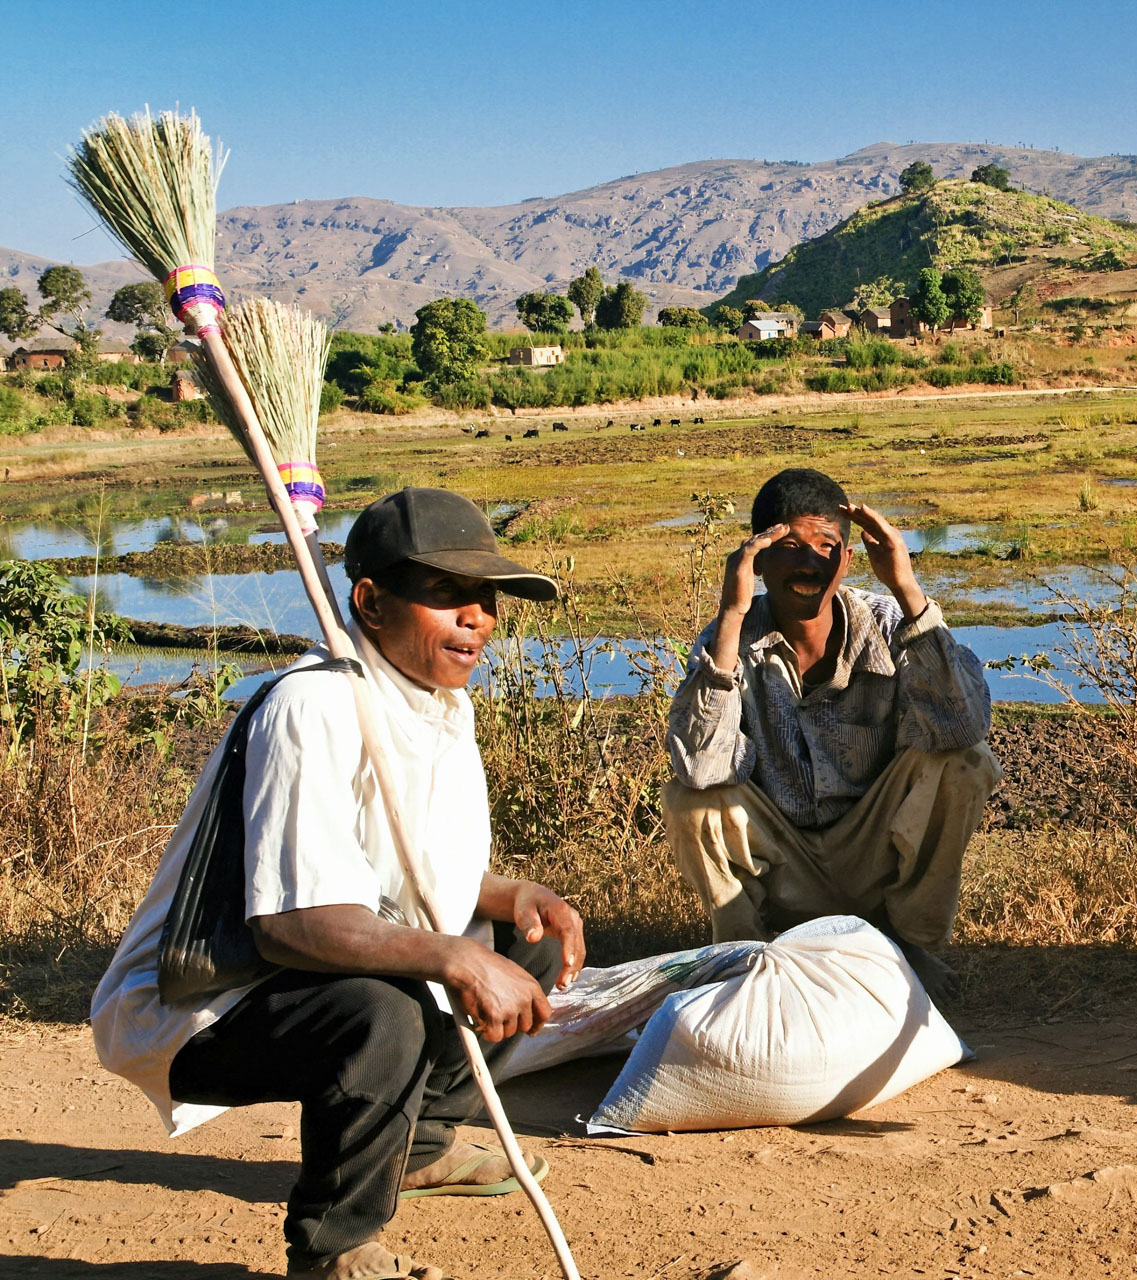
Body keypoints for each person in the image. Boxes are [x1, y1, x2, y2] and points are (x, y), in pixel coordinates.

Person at [93, 488, 585, 1280]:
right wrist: (456, 960)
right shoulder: (313, 705)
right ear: (370, 600)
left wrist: (518, 898)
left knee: (520, 952)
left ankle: (418, 1146)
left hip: (302, 969)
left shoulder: (438, 706)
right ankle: (334, 1248)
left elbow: (417, 877)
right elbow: (291, 925)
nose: (479, 619)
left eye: (486, 601)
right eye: (448, 595)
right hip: (202, 1003)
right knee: (382, 1013)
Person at [664, 468, 999, 991]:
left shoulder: (888, 620)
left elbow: (961, 726)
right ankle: (744, 959)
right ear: (758, 559)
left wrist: (906, 585)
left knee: (966, 762)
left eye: (827, 545)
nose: (809, 562)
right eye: (791, 545)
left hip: (874, 854)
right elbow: (701, 767)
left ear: (847, 558)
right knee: (689, 798)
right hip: (786, 861)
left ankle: (911, 947)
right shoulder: (731, 637)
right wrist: (731, 613)